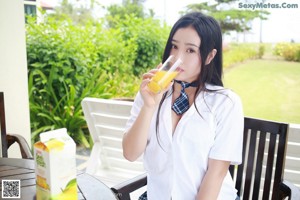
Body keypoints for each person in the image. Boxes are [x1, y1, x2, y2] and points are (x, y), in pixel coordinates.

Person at [122, 12, 244, 200]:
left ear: (210, 56)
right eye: (174, 46)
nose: (178, 57)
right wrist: (148, 106)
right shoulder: (150, 92)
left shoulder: (226, 103)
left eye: (190, 50)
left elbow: (216, 174)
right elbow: (130, 154)